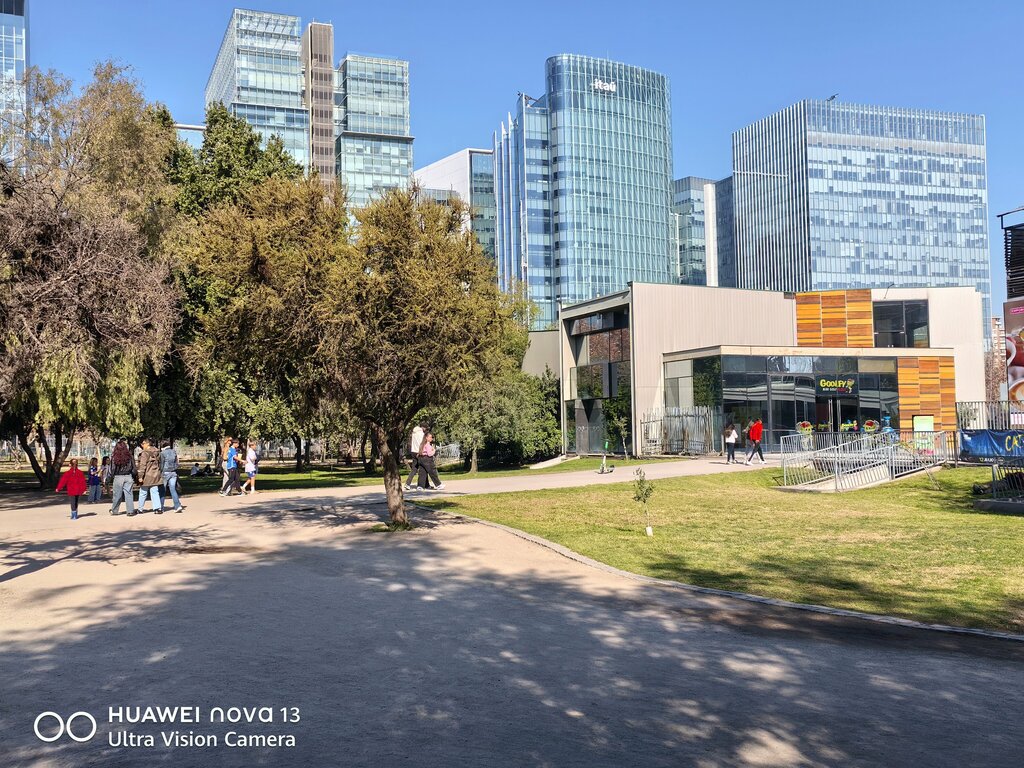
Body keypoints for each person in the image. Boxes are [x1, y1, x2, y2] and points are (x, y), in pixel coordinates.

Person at [108, 439, 136, 516]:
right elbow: (134, 468)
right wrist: (134, 475)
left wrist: (111, 477)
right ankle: (130, 511)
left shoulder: (114, 457)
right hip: (128, 476)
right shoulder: (130, 456)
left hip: (118, 477)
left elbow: (112, 469)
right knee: (129, 494)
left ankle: (115, 510)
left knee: (117, 495)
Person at [136, 438, 163, 513]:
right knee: (155, 491)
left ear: (147, 444)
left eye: (143, 444)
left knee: (143, 492)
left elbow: (142, 465)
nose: (142, 445)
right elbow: (160, 463)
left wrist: (140, 476)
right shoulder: (157, 451)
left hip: (147, 475)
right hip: (155, 474)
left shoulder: (145, 453)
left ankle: (140, 509)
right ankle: (157, 508)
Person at [160, 439, 184, 513]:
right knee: (173, 489)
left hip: (165, 472)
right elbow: (177, 462)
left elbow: (161, 464)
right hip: (173, 472)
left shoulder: (162, 453)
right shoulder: (174, 451)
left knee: (162, 490)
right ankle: (177, 506)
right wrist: (175, 468)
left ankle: (161, 507)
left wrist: (160, 472)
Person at [404, 423, 425, 491]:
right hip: (419, 452)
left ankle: (407, 483)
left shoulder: (414, 433)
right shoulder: (421, 434)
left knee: (414, 469)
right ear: (423, 428)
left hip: (413, 451)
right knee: (422, 468)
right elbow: (422, 443)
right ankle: (420, 485)